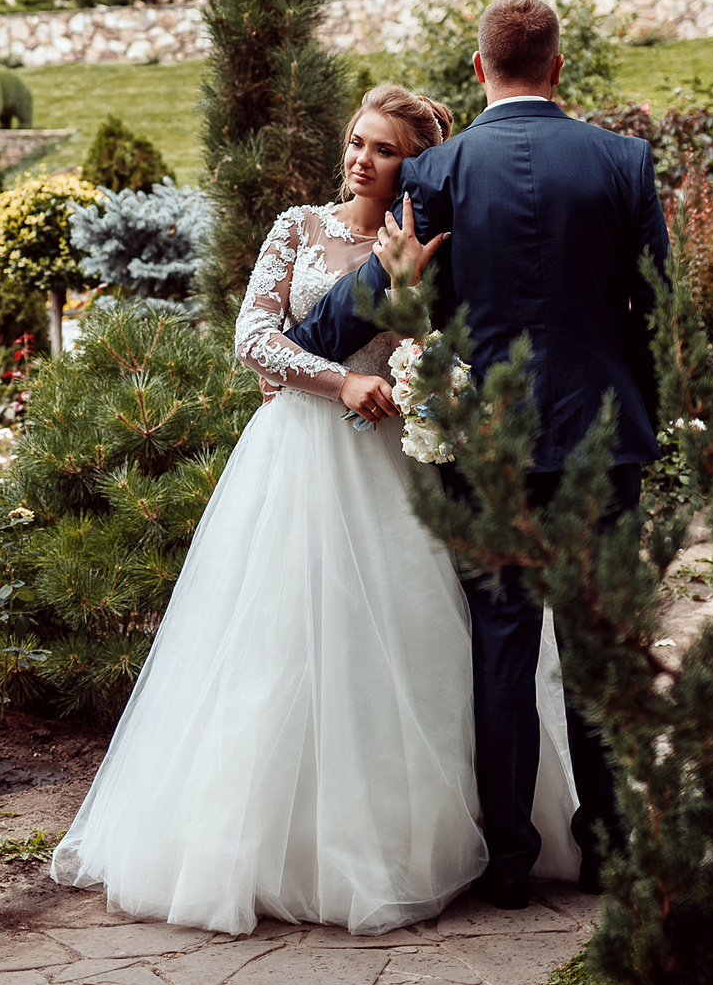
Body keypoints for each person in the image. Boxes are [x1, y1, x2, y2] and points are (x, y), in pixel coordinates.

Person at [50, 84, 584, 936]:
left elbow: (456, 348)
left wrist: (415, 343)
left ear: (417, 165)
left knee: (408, 646)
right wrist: (338, 380)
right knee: (280, 642)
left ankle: (415, 838)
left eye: (384, 149)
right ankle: (262, 843)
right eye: (356, 141)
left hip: (397, 464)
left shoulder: (436, 247)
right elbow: (251, 338)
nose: (361, 159)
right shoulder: (297, 227)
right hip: (299, 458)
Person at [283, 0, 671, 906]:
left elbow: (389, 287)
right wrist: (641, 422)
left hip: (486, 450)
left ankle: (510, 862)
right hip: (600, 442)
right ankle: (607, 848)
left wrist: (306, 343)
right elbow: (659, 309)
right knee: (596, 648)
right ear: (558, 66)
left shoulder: (440, 170)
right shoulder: (623, 161)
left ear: (477, 66)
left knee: (501, 651)